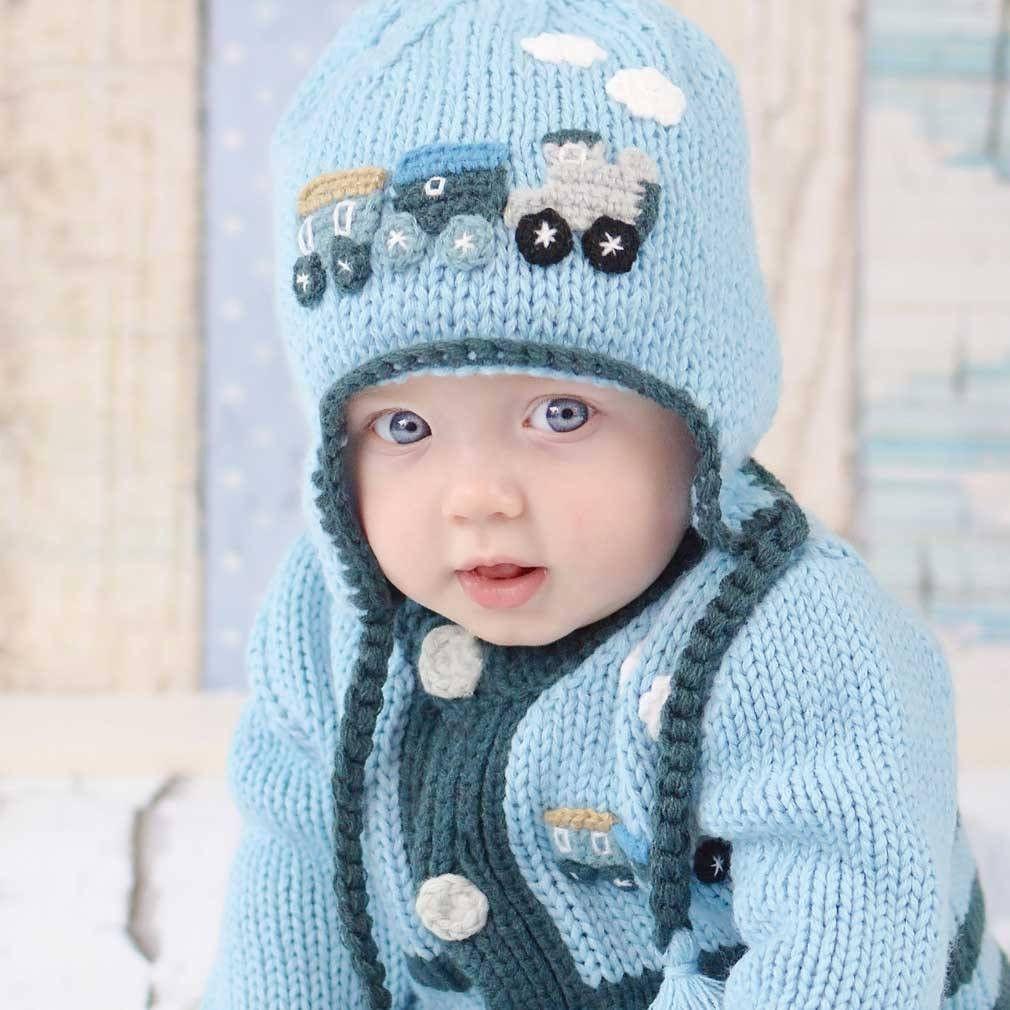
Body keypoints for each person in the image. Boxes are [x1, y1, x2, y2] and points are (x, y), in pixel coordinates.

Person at [200, 1, 1008, 1008]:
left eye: (561, 413)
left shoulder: (798, 646)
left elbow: (843, 955)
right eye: (403, 427)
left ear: (696, 417)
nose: (479, 497)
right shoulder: (326, 619)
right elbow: (299, 883)